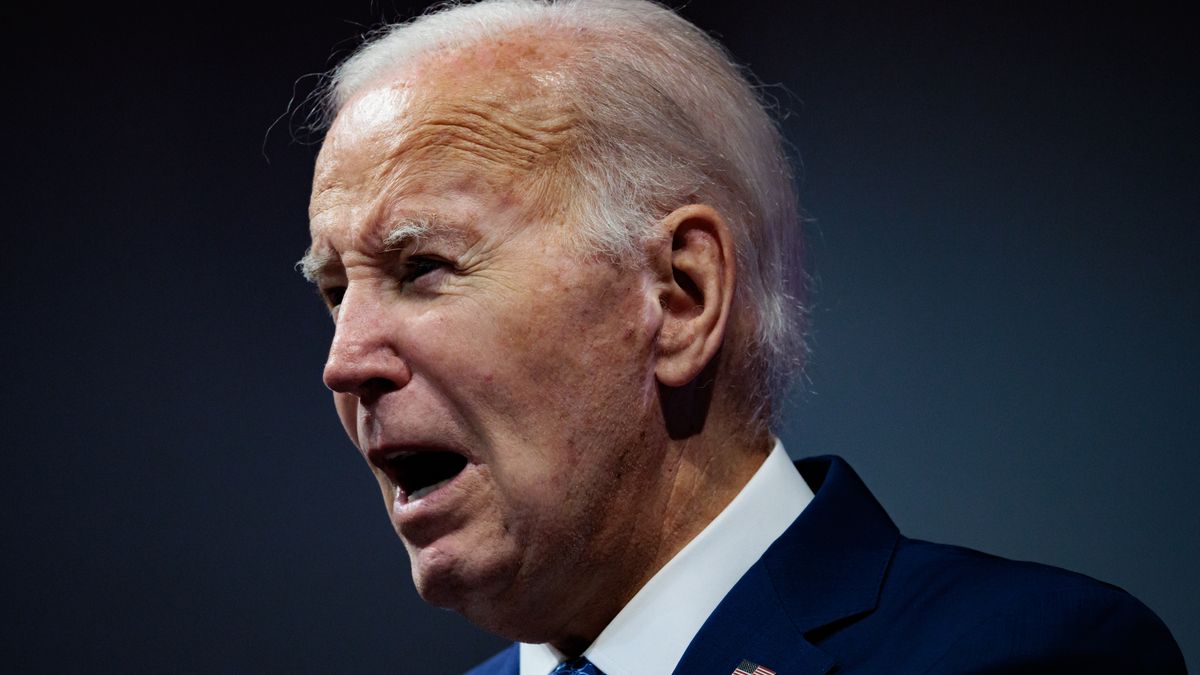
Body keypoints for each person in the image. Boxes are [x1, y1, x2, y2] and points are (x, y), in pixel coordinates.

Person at [298, 1, 1185, 672]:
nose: (345, 361)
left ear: (681, 295)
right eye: (336, 292)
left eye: (422, 267)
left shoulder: (1031, 655)